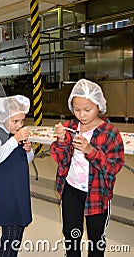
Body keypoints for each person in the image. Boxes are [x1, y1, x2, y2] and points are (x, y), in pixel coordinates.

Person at [50, 79, 125, 257]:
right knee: (71, 234)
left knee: (96, 238)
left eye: (87, 109)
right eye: (76, 110)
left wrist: (90, 150)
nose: (81, 115)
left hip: (97, 194)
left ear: (99, 106)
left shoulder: (110, 133)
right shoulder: (70, 128)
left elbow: (113, 168)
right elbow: (61, 160)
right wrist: (61, 140)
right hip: (71, 189)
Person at [0, 95, 33, 257]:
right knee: (10, 233)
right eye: (15, 121)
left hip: (19, 189)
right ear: (3, 118)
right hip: (6, 192)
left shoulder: (17, 136)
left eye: (22, 121)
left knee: (19, 230)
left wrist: (28, 150)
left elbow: (26, 160)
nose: (19, 126)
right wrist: (15, 140)